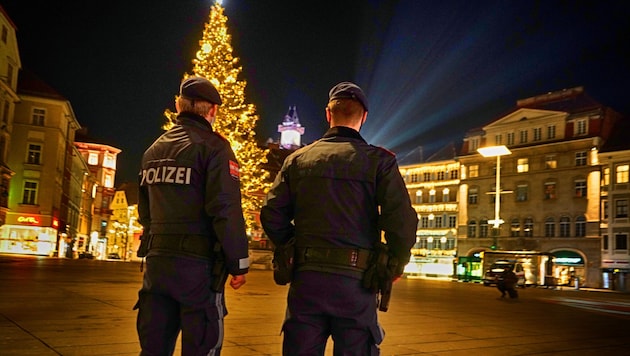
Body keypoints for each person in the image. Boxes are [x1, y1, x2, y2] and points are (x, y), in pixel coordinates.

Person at [260, 81, 418, 355]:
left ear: (328, 114)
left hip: (307, 279)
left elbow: (271, 213)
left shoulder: (297, 160)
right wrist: (396, 262)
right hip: (355, 281)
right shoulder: (379, 161)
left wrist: (292, 245)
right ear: (364, 117)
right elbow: (400, 219)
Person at [134, 76, 250, 355]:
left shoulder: (153, 150)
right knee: (202, 346)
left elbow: (145, 211)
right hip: (198, 269)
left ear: (178, 106)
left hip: (158, 265)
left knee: (153, 347)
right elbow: (225, 209)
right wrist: (239, 263)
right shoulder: (215, 148)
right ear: (213, 110)